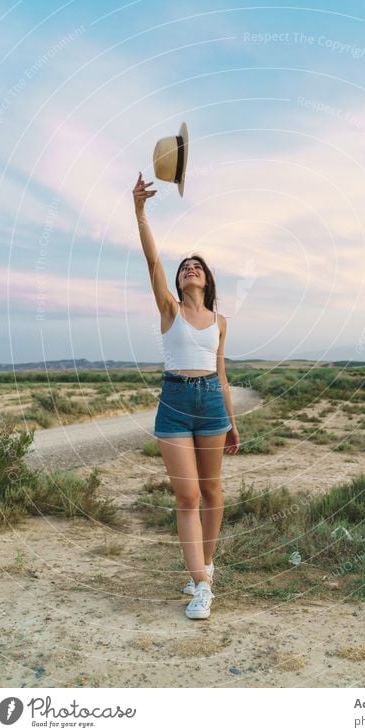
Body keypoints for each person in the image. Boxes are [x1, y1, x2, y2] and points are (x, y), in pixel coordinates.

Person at [133, 172, 240, 620]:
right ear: (178, 282)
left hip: (212, 402)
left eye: (197, 265)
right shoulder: (170, 310)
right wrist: (139, 211)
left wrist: (233, 420)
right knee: (188, 498)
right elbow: (154, 263)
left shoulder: (220, 321)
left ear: (207, 279)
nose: (188, 268)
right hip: (175, 403)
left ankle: (206, 566)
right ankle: (200, 586)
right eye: (184, 267)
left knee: (213, 492)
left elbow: (222, 372)